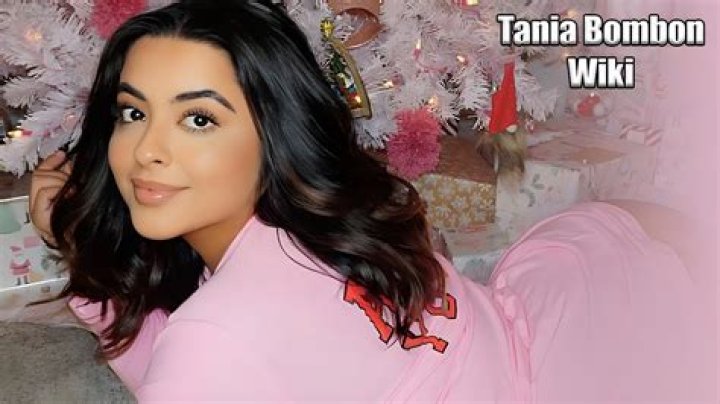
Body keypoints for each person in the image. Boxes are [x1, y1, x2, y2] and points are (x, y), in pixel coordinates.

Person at [29, 0, 712, 402]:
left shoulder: (216, 336)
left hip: (547, 342)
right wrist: (87, 255)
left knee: (625, 234)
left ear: (274, 132)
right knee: (624, 231)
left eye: (198, 119)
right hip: (552, 326)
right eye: (132, 113)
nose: (146, 150)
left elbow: (202, 359)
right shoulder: (321, 216)